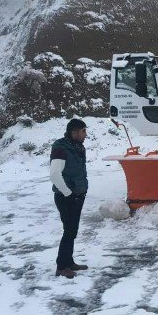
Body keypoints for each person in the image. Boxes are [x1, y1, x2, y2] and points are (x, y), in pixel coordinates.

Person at [49, 119, 89, 279]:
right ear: (74, 133)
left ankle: (69, 261)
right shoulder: (61, 148)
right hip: (66, 197)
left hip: (77, 195)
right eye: (83, 131)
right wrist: (68, 193)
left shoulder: (77, 147)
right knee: (69, 231)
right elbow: (54, 174)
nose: (85, 134)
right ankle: (61, 266)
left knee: (72, 230)